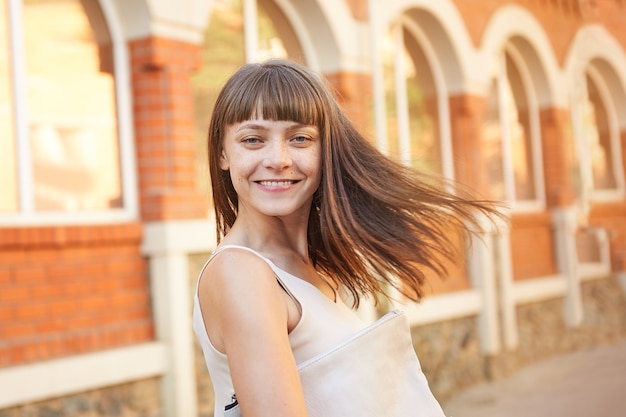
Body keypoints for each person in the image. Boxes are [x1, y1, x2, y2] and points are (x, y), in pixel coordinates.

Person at [193, 59, 499, 417]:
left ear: (326, 151)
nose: (278, 159)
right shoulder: (241, 273)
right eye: (253, 140)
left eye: (300, 139)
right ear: (222, 154)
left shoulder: (313, 268)